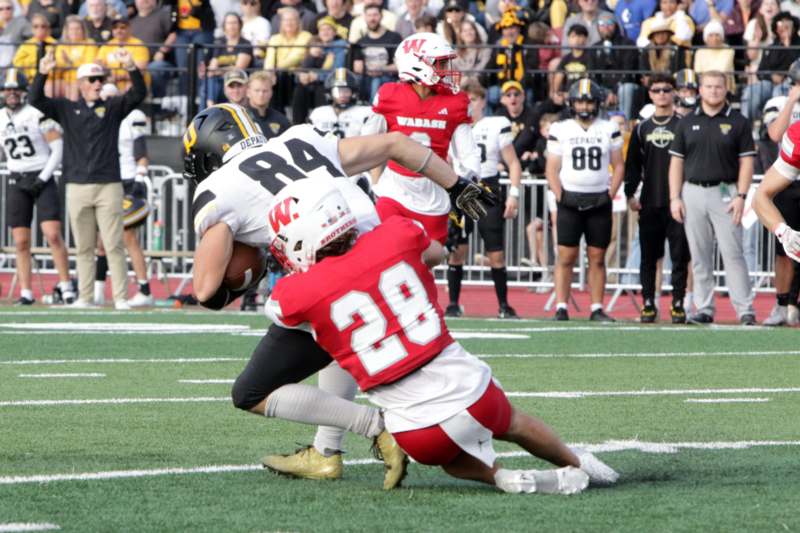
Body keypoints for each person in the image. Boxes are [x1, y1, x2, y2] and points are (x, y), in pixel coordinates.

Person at [184, 103, 496, 487]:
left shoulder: (217, 188)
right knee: (328, 333)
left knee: (250, 392)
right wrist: (456, 185)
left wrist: (247, 268)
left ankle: (378, 426)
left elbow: (206, 288)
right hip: (394, 261)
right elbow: (397, 143)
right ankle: (326, 452)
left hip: (339, 284)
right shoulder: (302, 139)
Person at [264, 178, 619, 493]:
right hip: (472, 390)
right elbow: (431, 250)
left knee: (447, 459)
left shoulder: (295, 293)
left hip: (416, 431)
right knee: (514, 422)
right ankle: (578, 462)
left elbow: (283, 313)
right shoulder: (395, 234)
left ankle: (499, 476)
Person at [30, 52, 147, 309]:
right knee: (83, 246)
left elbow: (138, 94)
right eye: (92, 79)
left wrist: (130, 67)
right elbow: (35, 99)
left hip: (108, 185)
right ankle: (84, 297)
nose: (97, 83)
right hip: (77, 185)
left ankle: (120, 298)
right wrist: (42, 72)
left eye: (100, 79)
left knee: (114, 244)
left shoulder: (114, 107)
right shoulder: (66, 108)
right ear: (81, 83)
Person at [364, 32, 486, 264]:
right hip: (394, 192)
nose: (447, 69)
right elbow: (367, 142)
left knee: (425, 264)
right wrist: (371, 183)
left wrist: (467, 181)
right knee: (388, 259)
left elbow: (468, 153)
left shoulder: (456, 102)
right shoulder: (390, 95)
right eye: (440, 64)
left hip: (434, 196)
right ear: (417, 64)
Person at [668, 71, 757, 325]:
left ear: (725, 89)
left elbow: (746, 162)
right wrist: (675, 197)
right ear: (700, 90)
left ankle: (745, 309)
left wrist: (741, 195)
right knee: (699, 255)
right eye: (708, 86)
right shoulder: (686, 122)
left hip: (726, 192)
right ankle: (704, 307)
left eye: (718, 86)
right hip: (693, 191)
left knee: (733, 252)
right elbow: (676, 162)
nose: (714, 91)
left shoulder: (739, 121)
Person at [546, 79, 624, 322]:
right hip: (570, 199)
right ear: (572, 103)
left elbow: (618, 165)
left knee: (597, 257)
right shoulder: (561, 128)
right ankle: (561, 306)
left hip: (599, 200)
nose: (584, 105)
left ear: (597, 103)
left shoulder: (608, 127)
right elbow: (551, 169)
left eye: (588, 100)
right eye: (580, 100)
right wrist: (561, 196)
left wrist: (610, 193)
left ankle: (597, 307)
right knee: (566, 256)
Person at [446, 80, 522, 319]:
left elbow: (513, 163)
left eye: (474, 99)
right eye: (466, 99)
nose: (470, 104)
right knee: (457, 249)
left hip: (486, 186)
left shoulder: (494, 125)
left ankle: (503, 305)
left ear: (482, 101)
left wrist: (514, 193)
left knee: (495, 251)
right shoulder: (453, 126)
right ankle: (453, 303)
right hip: (460, 187)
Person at [0, 68, 74, 305]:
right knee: (20, 241)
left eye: (16, 89)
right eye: (8, 89)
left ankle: (66, 286)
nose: (12, 94)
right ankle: (26, 291)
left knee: (52, 235)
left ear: (24, 91)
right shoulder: (1, 116)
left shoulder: (36, 113)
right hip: (16, 179)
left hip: (41, 176)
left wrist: (42, 177)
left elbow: (58, 147)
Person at [624, 74, 690, 323]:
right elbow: (632, 165)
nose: (662, 94)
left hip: (678, 202)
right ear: (650, 94)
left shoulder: (684, 124)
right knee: (649, 256)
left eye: (666, 89)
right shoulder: (642, 127)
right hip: (650, 201)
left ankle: (678, 303)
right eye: (657, 90)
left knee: (680, 256)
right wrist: (630, 193)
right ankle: (649, 303)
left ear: (674, 93)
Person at [94, 83, 153, 307]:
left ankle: (145, 288)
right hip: (106, 180)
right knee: (102, 240)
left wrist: (139, 177)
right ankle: (98, 290)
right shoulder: (96, 116)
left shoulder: (131, 116)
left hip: (128, 181)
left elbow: (141, 151)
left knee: (128, 237)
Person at [758, 60, 800, 326]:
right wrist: (785, 233)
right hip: (791, 185)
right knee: (785, 254)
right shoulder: (796, 133)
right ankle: (785, 303)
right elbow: (760, 196)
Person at [351, 4, 402, 101]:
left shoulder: (394, 37)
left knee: (376, 81)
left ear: (381, 16)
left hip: (388, 78)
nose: (372, 19)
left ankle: (373, 110)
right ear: (364, 18)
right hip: (366, 77)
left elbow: (398, 66)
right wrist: (369, 70)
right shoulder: (361, 41)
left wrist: (381, 69)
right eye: (369, 15)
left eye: (375, 15)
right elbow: (357, 67)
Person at [308, 68, 371, 138]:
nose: (342, 95)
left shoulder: (364, 113)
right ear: (330, 94)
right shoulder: (318, 113)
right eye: (337, 92)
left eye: (346, 91)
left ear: (353, 93)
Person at [95, 15, 150, 92]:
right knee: (105, 87)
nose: (118, 30)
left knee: (130, 85)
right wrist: (107, 74)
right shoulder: (107, 45)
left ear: (129, 29)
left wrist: (119, 77)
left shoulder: (138, 45)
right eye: (115, 28)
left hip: (134, 85)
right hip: (112, 83)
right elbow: (98, 64)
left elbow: (139, 72)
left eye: (122, 27)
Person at [245, 70, 290, 138]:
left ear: (271, 93)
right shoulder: (241, 119)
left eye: (265, 91)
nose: (261, 94)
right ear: (248, 92)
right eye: (257, 90)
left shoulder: (281, 120)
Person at [0, 0, 32, 68]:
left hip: (15, 66)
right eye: (1, 9)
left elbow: (34, 38)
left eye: (8, 8)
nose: (5, 11)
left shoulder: (21, 23)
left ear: (13, 9)